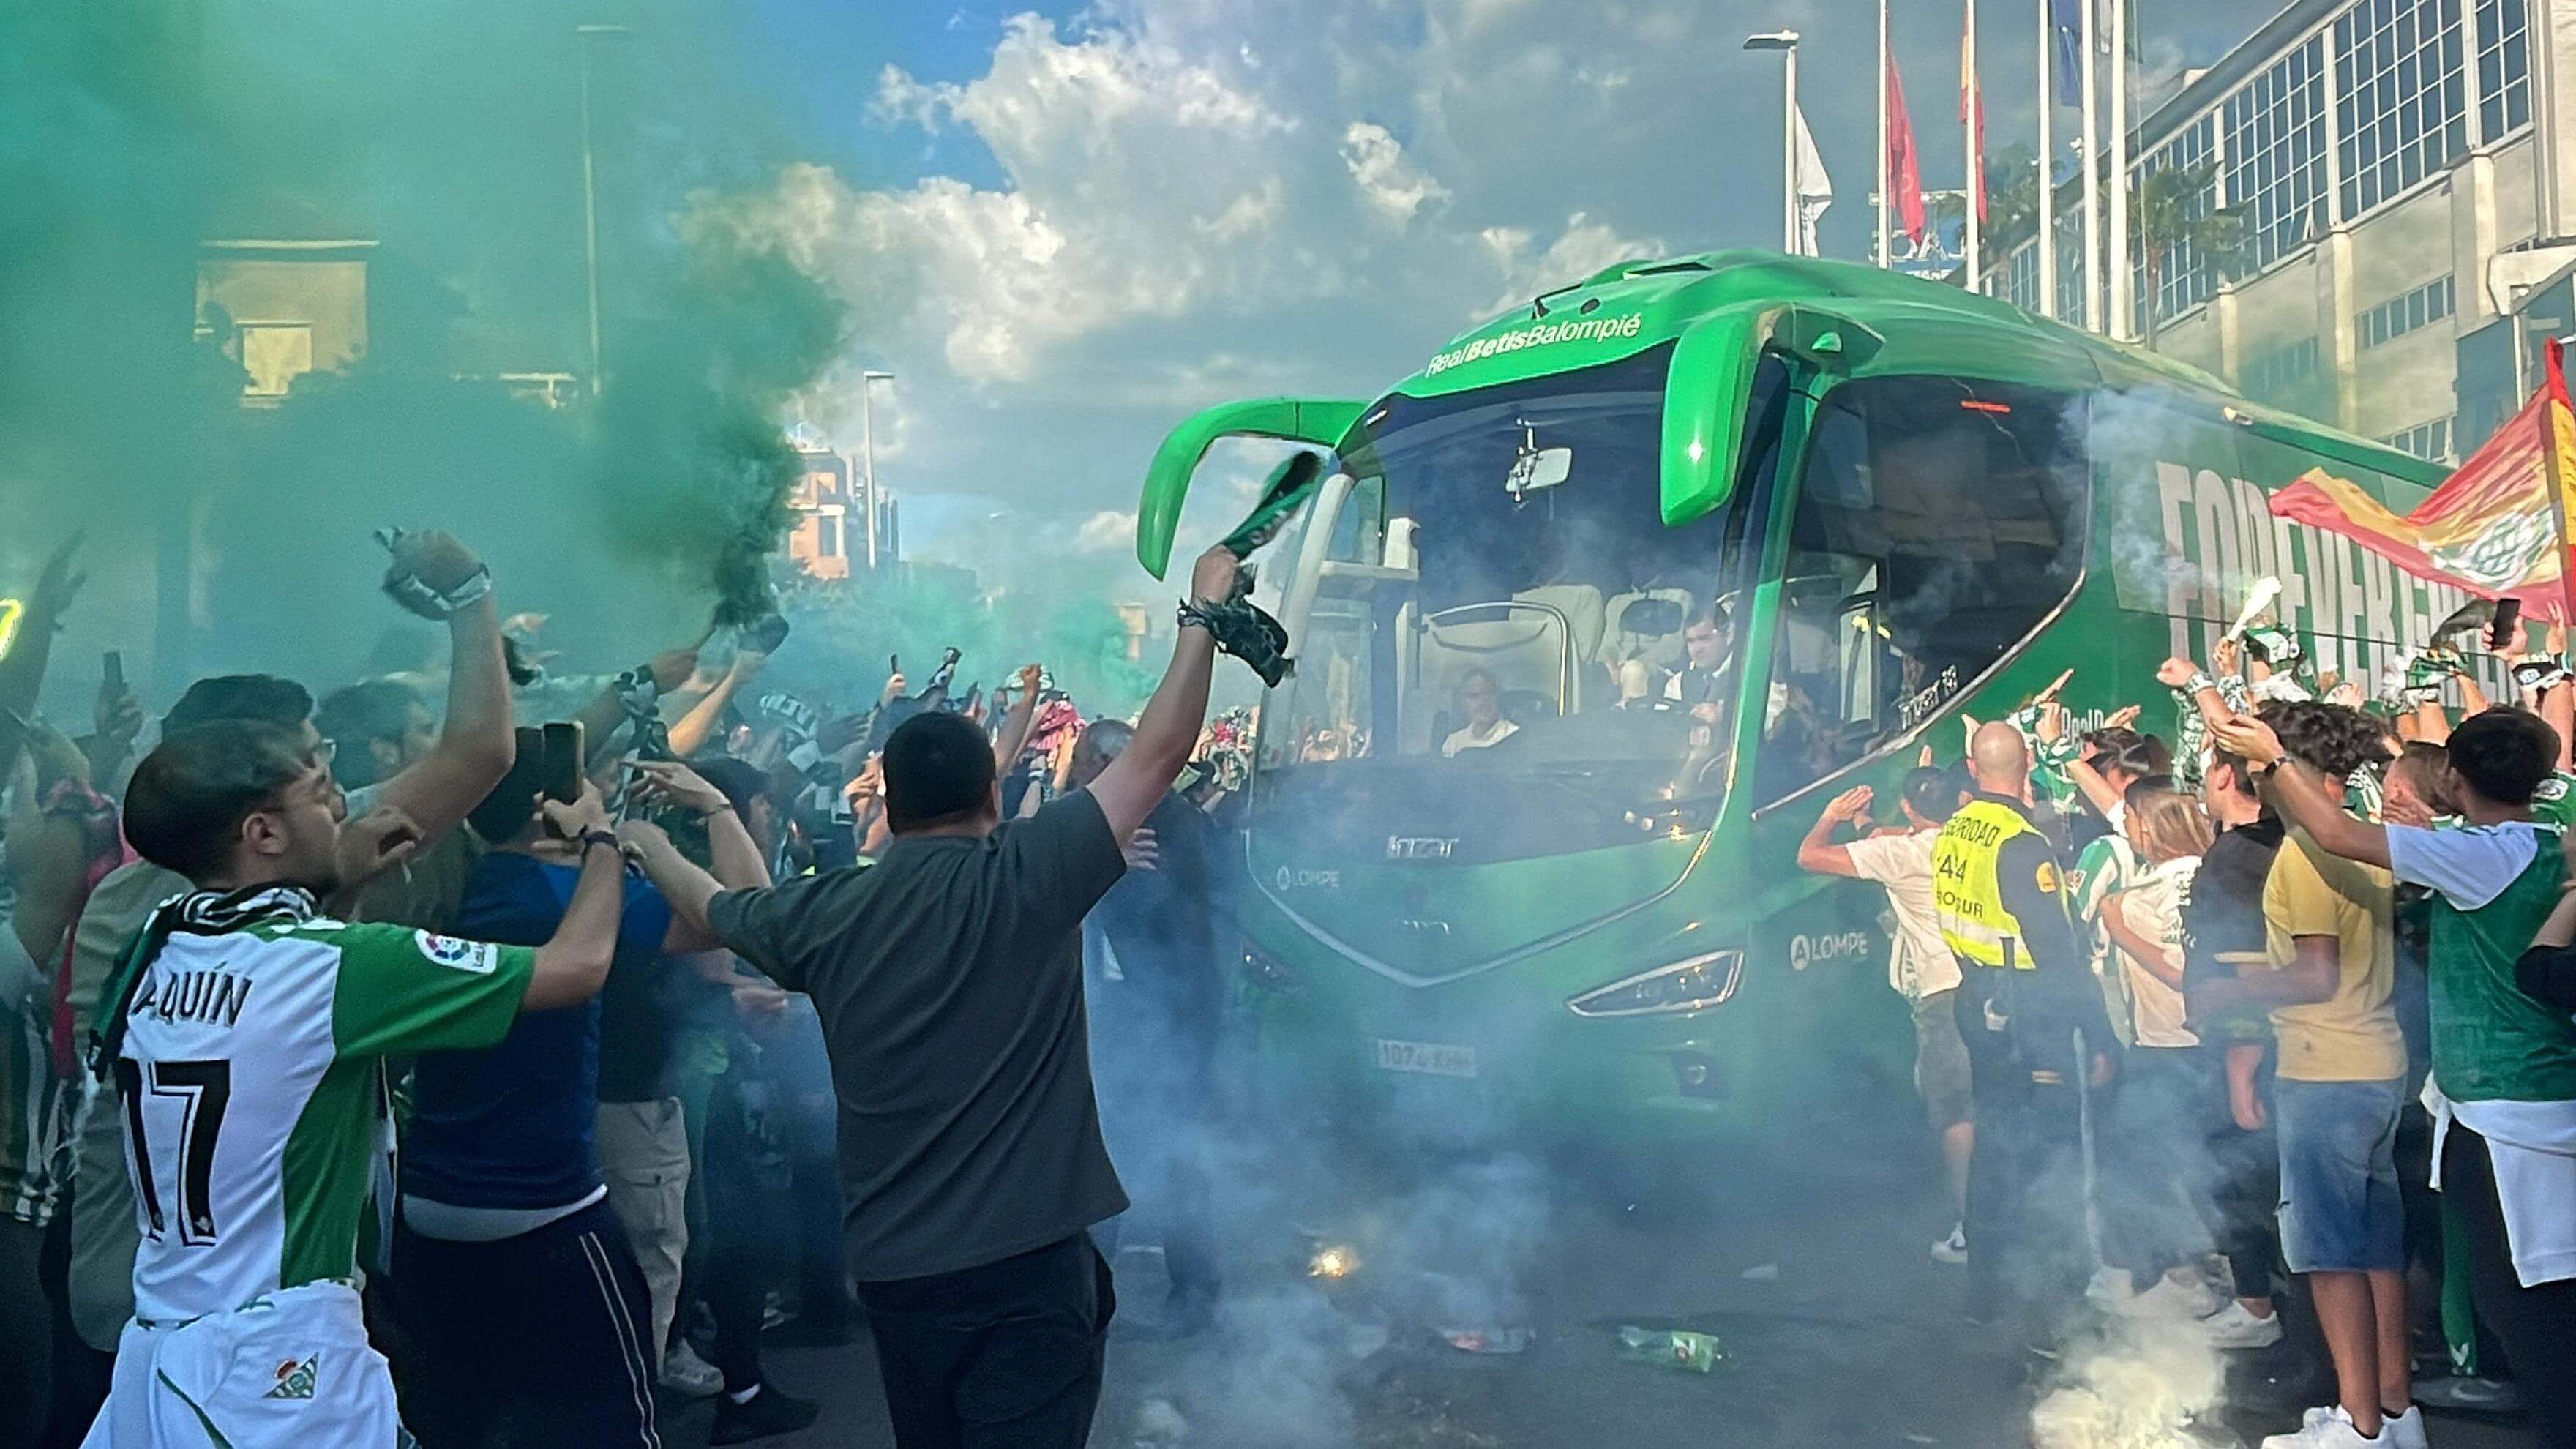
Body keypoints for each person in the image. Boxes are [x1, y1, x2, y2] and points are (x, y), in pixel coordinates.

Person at [619, 544, 1242, 1448]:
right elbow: (1157, 754)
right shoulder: (1030, 872)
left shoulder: (830, 909)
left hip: (903, 1273)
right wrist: (1200, 616)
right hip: (1030, 1264)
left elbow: (715, 908)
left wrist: (657, 834)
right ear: (994, 791)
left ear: (892, 801)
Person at [58, 533, 513, 1418]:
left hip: (225, 1298)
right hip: (182, 1311)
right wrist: (469, 596)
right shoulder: (173, 911)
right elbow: (477, 758)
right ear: (248, 812)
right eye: (310, 768)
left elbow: (478, 754)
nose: (335, 790)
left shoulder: (199, 897)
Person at [80, 719, 626, 1447]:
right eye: (320, 793)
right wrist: (603, 842)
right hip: (280, 1358)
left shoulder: (155, 943)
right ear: (263, 833)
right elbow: (577, 967)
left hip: (162, 1348)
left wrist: (335, 887)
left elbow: (270, 1018)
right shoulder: (331, 964)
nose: (341, 810)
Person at [389, 752, 795, 1447]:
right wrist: (689, 821)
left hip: (430, 1197)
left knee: (474, 1410)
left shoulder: (465, 882)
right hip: (543, 1201)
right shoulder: (558, 894)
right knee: (610, 1401)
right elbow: (755, 917)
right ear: (554, 809)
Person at [2226, 705, 2576, 1449]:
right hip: (2521, 1096)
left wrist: (2269, 759)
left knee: (2524, 1305)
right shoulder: (2544, 843)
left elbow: (2336, 832)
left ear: (2455, 775)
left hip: (2506, 1107)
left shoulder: (2482, 854)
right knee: (2531, 1295)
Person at [2195, 702, 2418, 1449]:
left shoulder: (2305, 852)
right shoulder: (2361, 835)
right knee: (2377, 1247)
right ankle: (2394, 1411)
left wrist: (2227, 991)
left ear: (2275, 764)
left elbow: (2316, 974)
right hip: (2378, 1062)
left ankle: (2356, 1427)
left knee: (2327, 1254)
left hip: (2326, 1071)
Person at [1933, 721, 2119, 1338]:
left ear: (1970, 765)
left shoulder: (1955, 830)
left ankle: (1985, 1286)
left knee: (1996, 1142)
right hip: (2030, 1010)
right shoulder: (2022, 842)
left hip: (1977, 997)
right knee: (2051, 1147)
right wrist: (2099, 1034)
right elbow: (2057, 949)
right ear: (2030, 760)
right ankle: (2058, 1292)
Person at [1066, 717, 1227, 1333]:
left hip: (1162, 1013)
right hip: (1147, 1010)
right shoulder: (1131, 818)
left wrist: (1099, 865)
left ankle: (1178, 1290)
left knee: (1150, 1144)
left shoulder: (1154, 821)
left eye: (1085, 762)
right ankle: (1172, 1286)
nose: (1079, 774)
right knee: (1137, 1143)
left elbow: (1136, 909)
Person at [1794, 765, 1972, 1264]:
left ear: (1912, 811)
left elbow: (1809, 856)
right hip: (1989, 984)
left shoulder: (1904, 853)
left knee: (1954, 1113)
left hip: (1942, 993)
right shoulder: (1970, 837)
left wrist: (1831, 815)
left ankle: (1970, 1228)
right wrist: (1868, 822)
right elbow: (1890, 834)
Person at [2092, 779, 2221, 1319]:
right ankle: (2206, 1270)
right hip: (2212, 1046)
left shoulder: (2155, 895)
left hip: (2168, 1046)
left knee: (2147, 1164)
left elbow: (2179, 971)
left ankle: (2186, 1278)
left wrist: (2118, 927)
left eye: (2135, 824)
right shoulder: (2213, 874)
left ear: (2153, 831)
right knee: (2201, 1163)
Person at [2176, 746, 2289, 1350]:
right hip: (2250, 1044)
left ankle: (2258, 1306)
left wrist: (2241, 1063)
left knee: (2241, 1176)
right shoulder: (2267, 844)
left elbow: (2244, 960)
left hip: (2244, 1048)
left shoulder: (2241, 858)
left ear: (2225, 775)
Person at [1442, 669, 1518, 756]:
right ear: (1463, 703)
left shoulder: (1515, 735)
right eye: (1474, 696)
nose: (1482, 703)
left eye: (1489, 695)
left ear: (1499, 698)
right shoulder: (1453, 743)